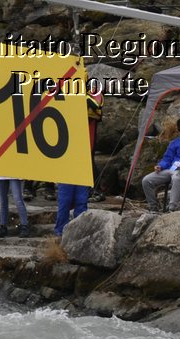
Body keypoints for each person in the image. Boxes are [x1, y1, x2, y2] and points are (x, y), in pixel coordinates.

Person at [55, 85, 102, 236]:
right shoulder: (64, 92)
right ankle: (60, 233)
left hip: (84, 155)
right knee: (65, 201)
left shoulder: (93, 92)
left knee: (82, 201)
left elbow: (97, 106)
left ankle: (80, 233)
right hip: (66, 155)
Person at [141, 116, 180, 213]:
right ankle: (153, 208)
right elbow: (167, 158)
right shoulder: (175, 143)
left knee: (176, 177)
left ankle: (172, 208)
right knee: (146, 180)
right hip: (170, 169)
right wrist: (160, 166)